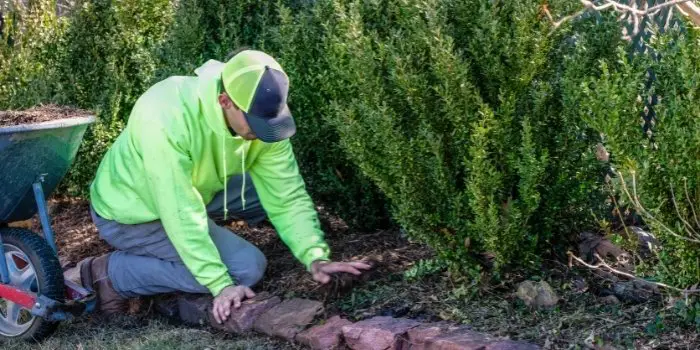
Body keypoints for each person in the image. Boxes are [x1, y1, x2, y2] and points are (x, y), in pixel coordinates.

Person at [78, 49, 371, 324]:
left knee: (262, 192)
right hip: (131, 211)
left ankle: (198, 247)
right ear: (224, 101)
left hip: (197, 189)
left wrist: (314, 256)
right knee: (245, 269)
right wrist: (219, 283)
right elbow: (179, 210)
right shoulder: (165, 115)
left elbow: (286, 194)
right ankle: (110, 275)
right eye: (255, 123)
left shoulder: (264, 119)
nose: (263, 131)